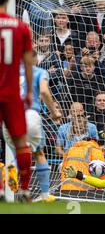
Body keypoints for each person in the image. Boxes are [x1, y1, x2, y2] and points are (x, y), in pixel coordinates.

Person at [3, 50, 62, 202]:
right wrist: (54, 111)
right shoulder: (39, 71)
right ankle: (44, 195)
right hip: (29, 115)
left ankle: (11, 176)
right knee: (38, 153)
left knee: (18, 152)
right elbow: (43, 91)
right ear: (34, 60)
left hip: (9, 116)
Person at [0, 0, 34, 202]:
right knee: (21, 142)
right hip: (12, 93)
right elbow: (28, 63)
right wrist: (29, 90)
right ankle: (24, 189)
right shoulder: (21, 27)